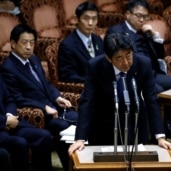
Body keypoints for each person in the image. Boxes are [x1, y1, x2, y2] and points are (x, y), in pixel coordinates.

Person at [68, 32, 171, 155]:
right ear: (108, 58)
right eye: (119, 58)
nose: (126, 62)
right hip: (104, 126)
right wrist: (80, 138)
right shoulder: (95, 66)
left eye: (128, 55)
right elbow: (87, 101)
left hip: (135, 123)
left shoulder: (143, 64)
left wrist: (160, 136)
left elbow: (151, 99)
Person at [0, 24, 78, 171]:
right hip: (39, 114)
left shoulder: (34, 59)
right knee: (63, 127)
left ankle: (77, 166)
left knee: (83, 120)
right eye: (24, 43)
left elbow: (46, 84)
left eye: (32, 42)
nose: (29, 47)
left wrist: (57, 97)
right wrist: (44, 107)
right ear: (13, 43)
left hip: (53, 106)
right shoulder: (8, 68)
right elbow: (17, 98)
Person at [106, 0, 171, 140]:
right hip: (133, 75)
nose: (142, 20)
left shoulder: (145, 32)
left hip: (152, 73)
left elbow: (160, 56)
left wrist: (154, 36)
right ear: (128, 14)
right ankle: (153, 132)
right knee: (156, 90)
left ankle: (169, 125)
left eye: (145, 17)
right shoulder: (117, 31)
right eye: (138, 16)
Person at [0, 76, 52, 171]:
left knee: (43, 136)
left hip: (12, 123)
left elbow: (10, 100)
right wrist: (5, 121)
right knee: (20, 143)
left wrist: (9, 115)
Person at [58, 1, 104, 83]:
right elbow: (68, 75)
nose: (90, 23)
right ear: (76, 19)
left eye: (94, 19)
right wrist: (93, 81)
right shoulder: (67, 45)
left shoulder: (97, 39)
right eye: (86, 18)